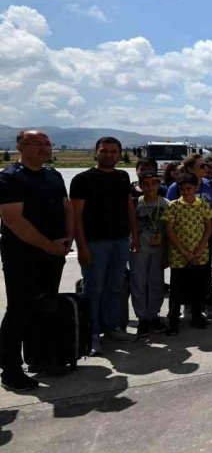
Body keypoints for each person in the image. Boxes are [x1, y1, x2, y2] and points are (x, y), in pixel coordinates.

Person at [0, 130, 73, 391]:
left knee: (46, 307)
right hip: (23, 256)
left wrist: (68, 237)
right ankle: (10, 369)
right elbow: (13, 220)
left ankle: (40, 358)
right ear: (20, 146)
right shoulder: (10, 178)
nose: (45, 148)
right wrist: (48, 246)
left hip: (53, 253)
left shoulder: (53, 175)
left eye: (48, 144)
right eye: (38, 144)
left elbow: (66, 208)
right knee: (19, 311)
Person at [70, 137, 138, 354]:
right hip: (95, 243)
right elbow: (76, 216)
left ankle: (111, 328)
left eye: (113, 151)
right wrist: (81, 246)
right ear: (96, 152)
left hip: (120, 241)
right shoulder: (82, 179)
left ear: (119, 153)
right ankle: (92, 333)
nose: (108, 155)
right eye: (104, 151)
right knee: (93, 289)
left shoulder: (122, 176)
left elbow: (128, 208)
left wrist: (134, 235)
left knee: (115, 288)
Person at [164, 173, 212, 336]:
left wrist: (199, 249)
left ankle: (197, 316)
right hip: (179, 256)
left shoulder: (203, 205)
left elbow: (208, 228)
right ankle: (173, 321)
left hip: (199, 254)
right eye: (182, 189)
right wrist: (184, 251)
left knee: (197, 287)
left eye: (189, 188)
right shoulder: (173, 206)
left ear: (196, 188)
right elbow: (170, 231)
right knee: (176, 289)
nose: (186, 192)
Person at [131, 172, 169, 337]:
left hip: (158, 249)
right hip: (139, 249)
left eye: (153, 183)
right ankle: (142, 318)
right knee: (138, 282)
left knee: (156, 282)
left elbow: (169, 231)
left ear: (158, 184)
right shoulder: (136, 203)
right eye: (146, 184)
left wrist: (167, 252)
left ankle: (154, 315)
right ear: (141, 186)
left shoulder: (166, 204)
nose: (150, 187)